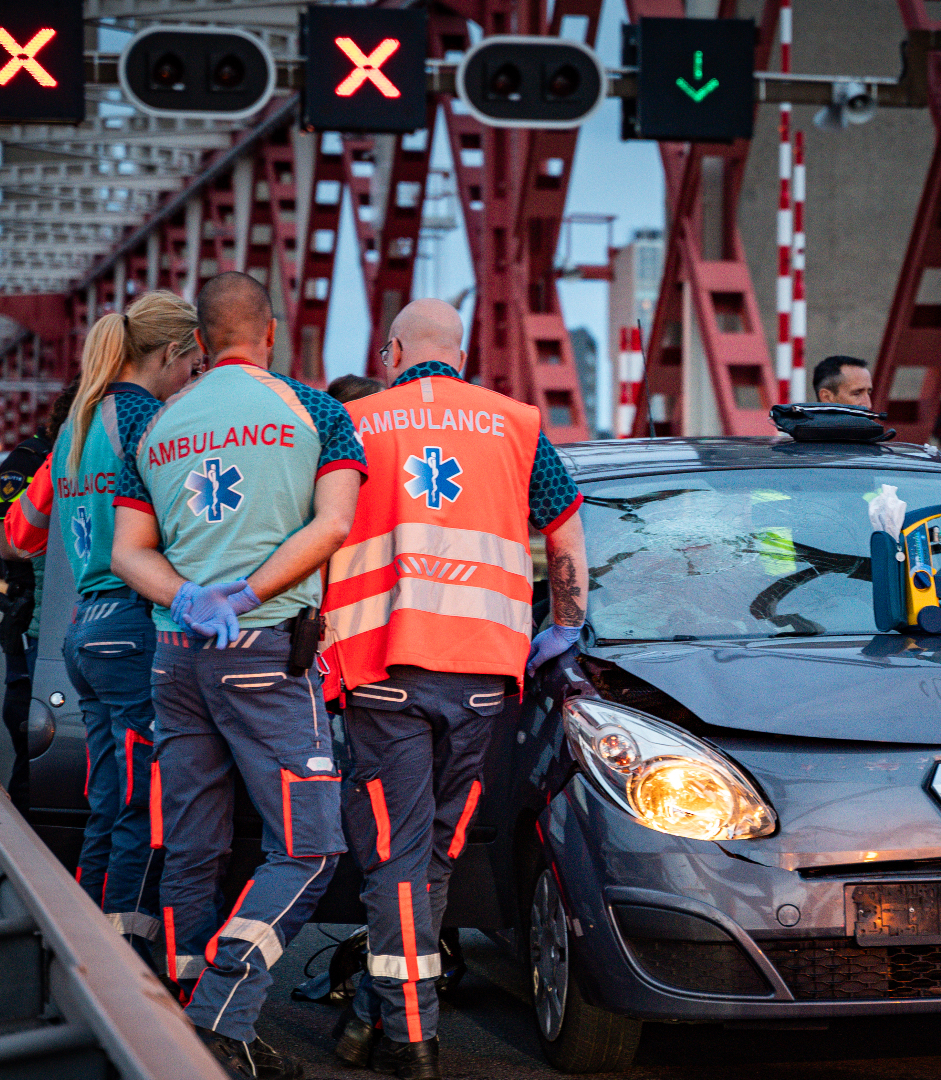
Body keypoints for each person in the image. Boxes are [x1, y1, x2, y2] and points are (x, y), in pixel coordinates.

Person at [322, 298, 588, 1080]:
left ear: (392, 352)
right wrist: (564, 624)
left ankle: (410, 1035)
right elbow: (565, 523)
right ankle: (382, 1015)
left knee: (396, 858)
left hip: (382, 672)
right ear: (462, 356)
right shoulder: (515, 424)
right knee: (434, 855)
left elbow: (320, 532)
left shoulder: (356, 423)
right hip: (481, 677)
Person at [111, 272, 365, 1078]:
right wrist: (249, 594)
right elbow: (335, 523)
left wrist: (189, 596)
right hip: (264, 653)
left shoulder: (158, 426)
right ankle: (223, 1011)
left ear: (197, 342)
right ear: (272, 333)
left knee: (193, 844)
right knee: (310, 848)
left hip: (178, 655)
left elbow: (126, 553)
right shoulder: (315, 411)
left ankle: (187, 1027)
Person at [2, 293, 200, 953]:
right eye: (192, 365)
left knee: (109, 800)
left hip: (84, 626)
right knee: (144, 806)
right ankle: (128, 955)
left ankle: (86, 945)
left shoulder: (76, 426)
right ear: (169, 353)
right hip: (134, 624)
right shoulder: (149, 422)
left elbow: (20, 533)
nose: (192, 379)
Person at [0, 383, 75, 814]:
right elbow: (8, 543)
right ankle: (18, 835)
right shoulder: (27, 462)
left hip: (60, 612)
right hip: (33, 610)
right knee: (30, 728)